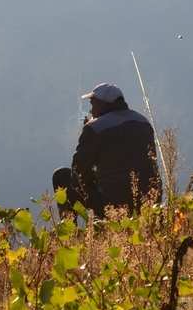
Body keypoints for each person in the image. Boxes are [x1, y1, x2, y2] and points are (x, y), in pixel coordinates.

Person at [52, 82, 160, 219]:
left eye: (92, 104)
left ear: (102, 105)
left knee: (61, 175)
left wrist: (88, 135)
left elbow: (78, 173)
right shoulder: (143, 121)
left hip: (114, 206)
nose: (91, 110)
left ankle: (71, 235)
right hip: (150, 202)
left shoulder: (95, 128)